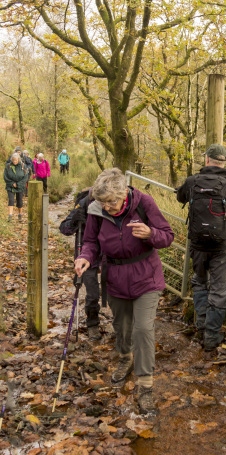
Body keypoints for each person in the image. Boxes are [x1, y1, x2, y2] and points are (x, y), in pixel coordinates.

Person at [75, 168, 174, 414]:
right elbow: (90, 242)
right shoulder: (96, 210)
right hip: (115, 277)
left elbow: (168, 236)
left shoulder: (144, 203)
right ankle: (125, 358)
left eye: (111, 202)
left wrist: (151, 234)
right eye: (102, 202)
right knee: (122, 327)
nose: (107, 207)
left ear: (123, 194)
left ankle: (145, 386)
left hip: (146, 277)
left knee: (143, 329)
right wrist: (85, 257)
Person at [176, 144, 226, 351]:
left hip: (197, 243)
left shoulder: (192, 181)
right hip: (223, 245)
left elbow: (181, 197)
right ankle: (211, 336)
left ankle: (201, 324)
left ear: (207, 160)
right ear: (224, 161)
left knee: (199, 281)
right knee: (220, 288)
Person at [59, 188, 102, 341]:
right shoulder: (84, 203)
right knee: (92, 292)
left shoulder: (114, 201)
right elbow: (64, 229)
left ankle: (121, 326)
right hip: (86, 252)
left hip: (110, 251)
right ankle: (92, 324)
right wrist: (75, 221)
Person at [4, 152, 28, 222]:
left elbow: (25, 177)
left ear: (19, 160)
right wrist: (12, 183)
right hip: (10, 186)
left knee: (19, 201)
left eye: (16, 160)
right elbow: (5, 177)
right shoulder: (8, 166)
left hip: (20, 187)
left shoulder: (23, 166)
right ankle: (10, 216)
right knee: (11, 200)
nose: (14, 161)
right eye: (13, 160)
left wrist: (18, 184)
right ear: (11, 160)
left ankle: (20, 215)